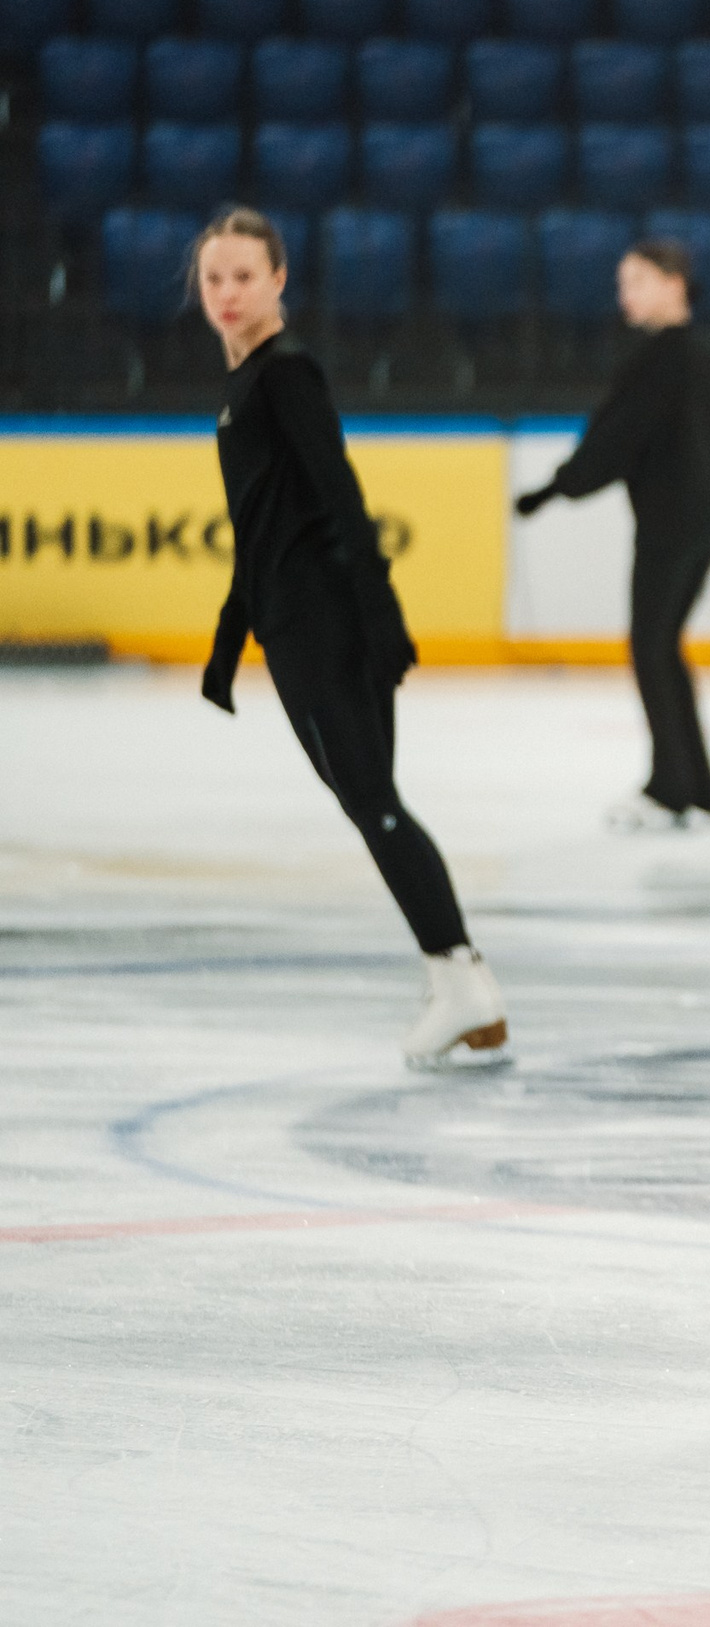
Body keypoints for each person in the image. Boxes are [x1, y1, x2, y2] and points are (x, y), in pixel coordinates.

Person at [191, 207, 509, 1072]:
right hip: (301, 625)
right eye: (213, 278)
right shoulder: (249, 381)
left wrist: (380, 618)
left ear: (279, 279)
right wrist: (228, 644)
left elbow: (338, 495)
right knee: (371, 799)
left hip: (324, 628)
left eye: (244, 276)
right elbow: (260, 530)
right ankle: (461, 983)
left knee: (372, 802)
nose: (226, 293)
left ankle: (461, 981)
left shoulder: (286, 373)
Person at [514, 238, 710, 832]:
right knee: (662, 646)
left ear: (675, 282)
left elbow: (616, 437)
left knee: (651, 647)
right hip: (701, 524)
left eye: (637, 282)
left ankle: (672, 789)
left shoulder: (664, 356)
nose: (625, 295)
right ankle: (693, 785)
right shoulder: (709, 352)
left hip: (673, 525)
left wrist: (554, 489)